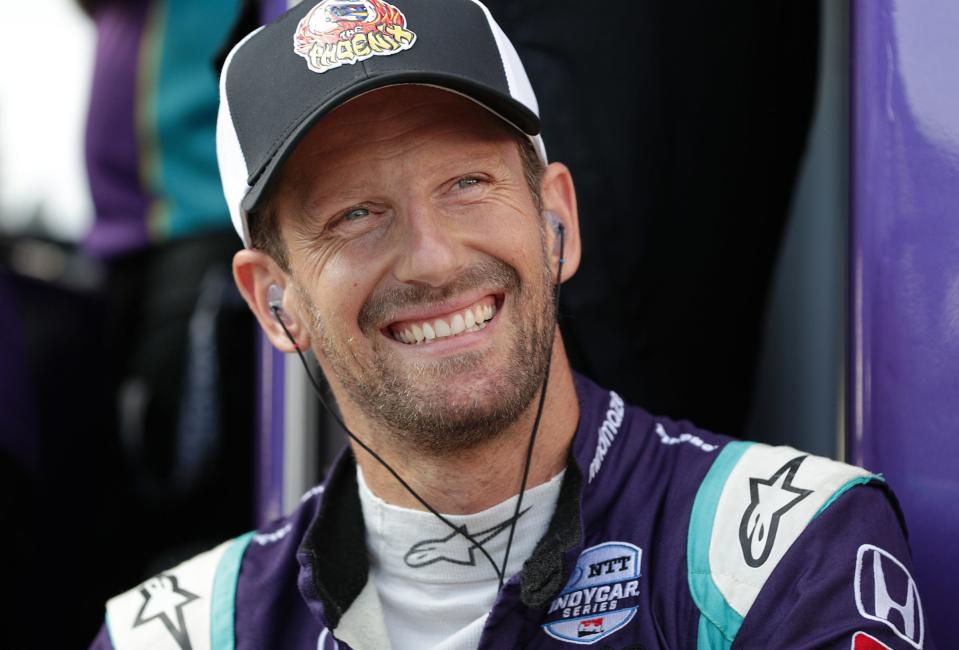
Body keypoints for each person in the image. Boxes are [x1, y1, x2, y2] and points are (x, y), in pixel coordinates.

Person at [91, 1, 932, 648]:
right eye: (353, 213)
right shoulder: (175, 631)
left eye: (466, 183)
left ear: (556, 219)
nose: (429, 258)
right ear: (273, 302)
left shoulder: (784, 549)